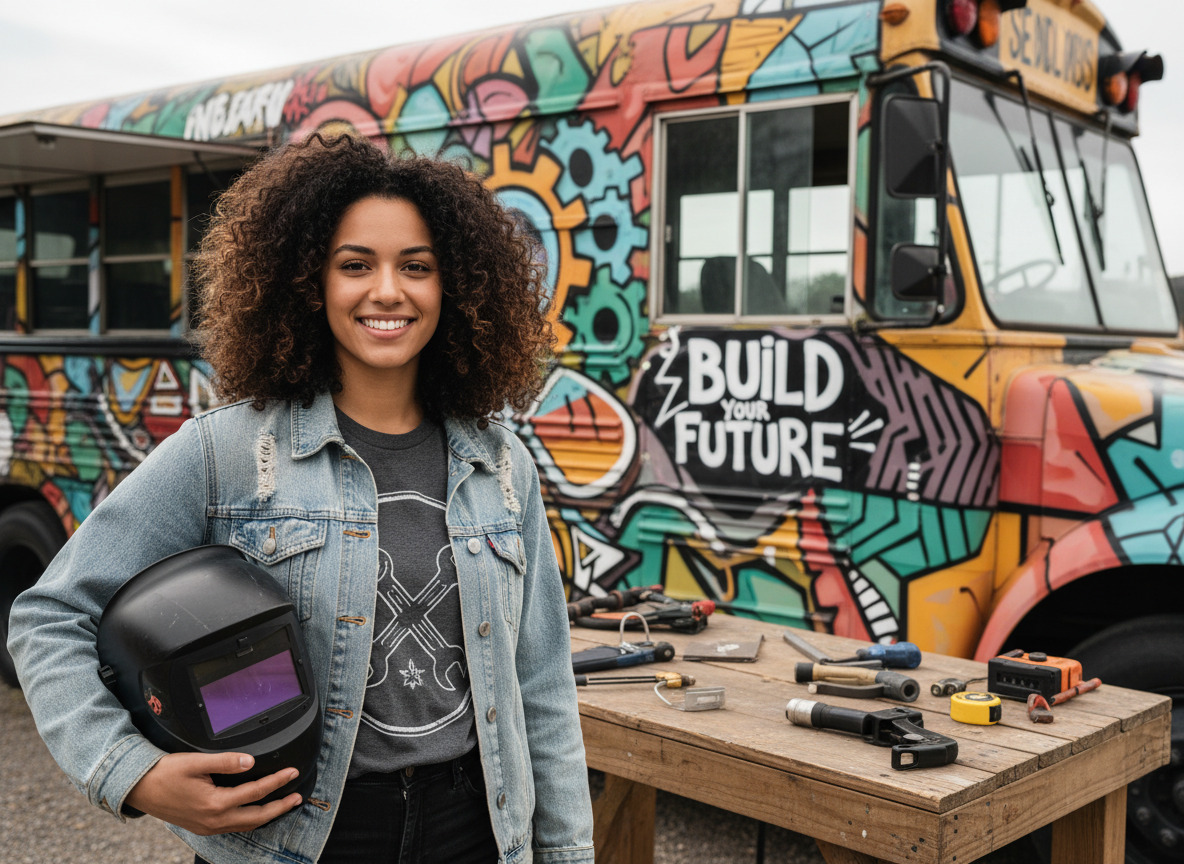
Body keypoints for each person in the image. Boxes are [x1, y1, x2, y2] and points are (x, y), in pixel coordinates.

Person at [8, 133, 595, 864]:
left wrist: (566, 853)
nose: (388, 290)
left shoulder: (500, 463)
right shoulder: (227, 453)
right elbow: (51, 614)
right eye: (356, 265)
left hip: (473, 830)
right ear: (308, 283)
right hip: (299, 839)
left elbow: (541, 684)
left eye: (417, 266)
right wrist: (134, 774)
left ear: (456, 287)